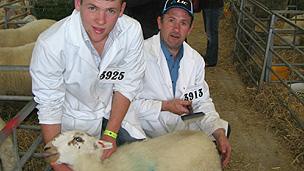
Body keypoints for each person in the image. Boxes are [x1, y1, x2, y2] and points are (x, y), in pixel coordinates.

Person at [30, 0, 145, 170]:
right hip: (74, 122)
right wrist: (57, 162)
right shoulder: (51, 44)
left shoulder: (131, 31)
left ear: (122, 9)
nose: (101, 20)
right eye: (93, 8)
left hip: (114, 112)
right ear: (78, 3)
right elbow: (49, 104)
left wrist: (111, 134)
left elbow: (128, 84)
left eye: (111, 11)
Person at [128, 0, 231, 167]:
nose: (176, 29)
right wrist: (165, 106)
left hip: (180, 135)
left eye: (183, 23)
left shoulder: (196, 60)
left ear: (190, 29)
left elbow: (201, 102)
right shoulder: (138, 55)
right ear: (160, 22)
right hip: (146, 135)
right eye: (171, 20)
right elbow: (124, 105)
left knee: (220, 132)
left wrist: (218, 132)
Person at [200, 0, 224, 67]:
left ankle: (211, 60)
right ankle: (209, 56)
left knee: (212, 33)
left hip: (212, 6)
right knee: (209, 32)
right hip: (208, 6)